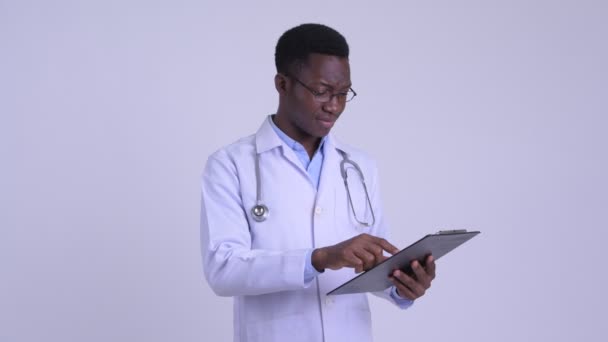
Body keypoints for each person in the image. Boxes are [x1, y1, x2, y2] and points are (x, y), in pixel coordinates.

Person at [200, 23, 436, 342]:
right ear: (282, 84)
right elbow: (223, 270)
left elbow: (373, 263)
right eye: (321, 91)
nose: (334, 106)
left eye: (342, 94)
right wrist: (319, 258)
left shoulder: (360, 166)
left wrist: (402, 285)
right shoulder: (231, 164)